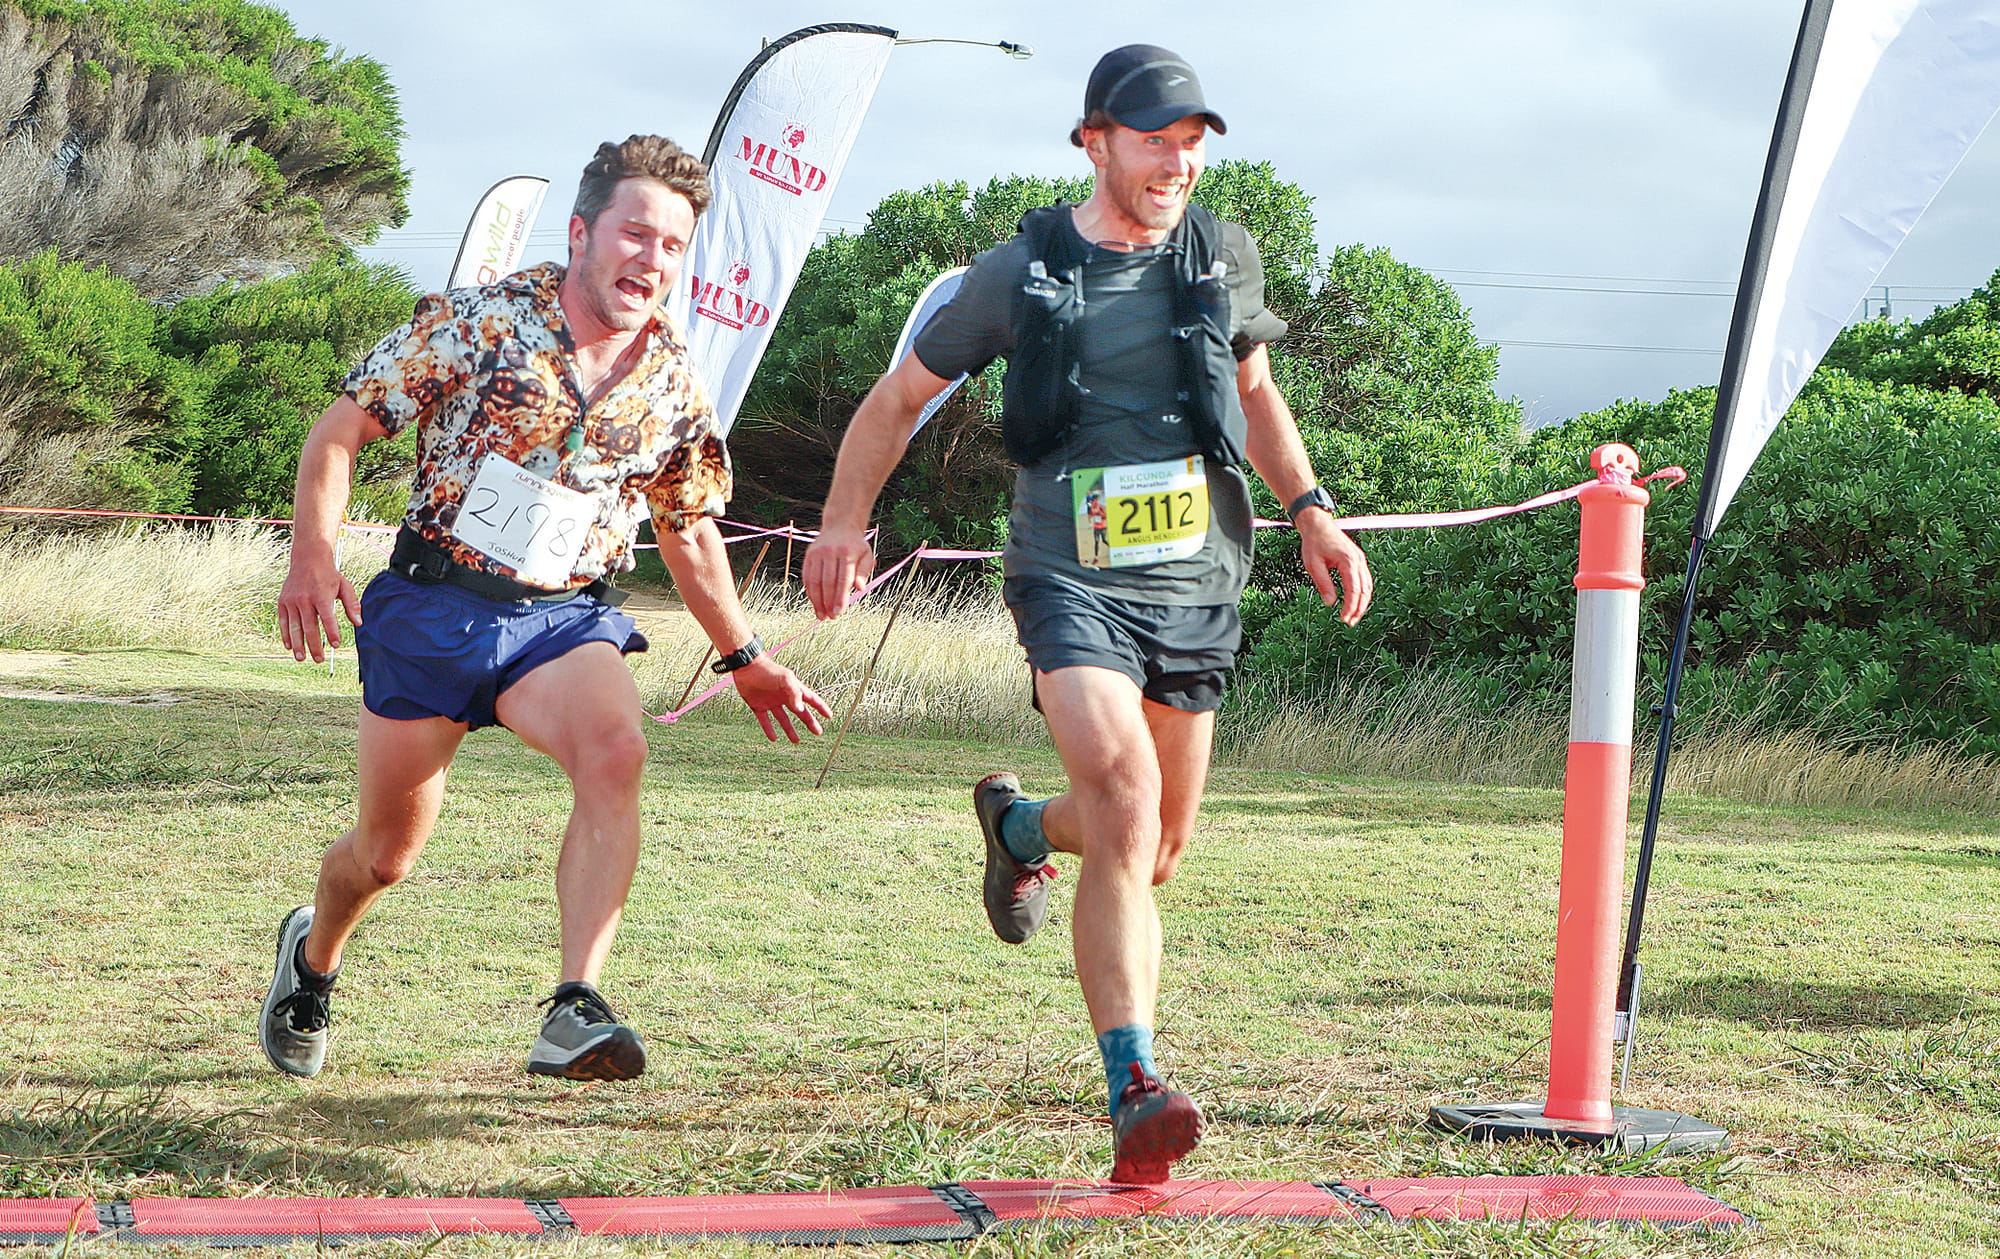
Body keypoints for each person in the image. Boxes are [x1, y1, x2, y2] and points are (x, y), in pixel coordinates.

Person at [804, 45, 1373, 1183]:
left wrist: (1311, 509)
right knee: (1121, 797)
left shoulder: (1224, 257)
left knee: (1152, 846)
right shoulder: (1018, 272)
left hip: (1197, 577)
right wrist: (839, 517)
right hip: (1066, 575)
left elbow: (1255, 394)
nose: (1177, 159)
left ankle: (1018, 830)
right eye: (1153, 137)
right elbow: (895, 399)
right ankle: (1134, 1082)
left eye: (1191, 140)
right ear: (1093, 141)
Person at [262, 135, 830, 1083]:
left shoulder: (672, 383)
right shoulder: (478, 325)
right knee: (386, 855)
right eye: (634, 232)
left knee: (618, 751)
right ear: (580, 233)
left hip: (559, 620)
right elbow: (340, 429)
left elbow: (687, 531)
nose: (652, 258)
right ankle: (312, 957)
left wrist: (745, 654)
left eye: (673, 245)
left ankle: (574, 1006)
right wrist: (312, 553)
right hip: (435, 603)